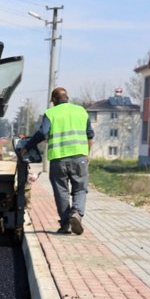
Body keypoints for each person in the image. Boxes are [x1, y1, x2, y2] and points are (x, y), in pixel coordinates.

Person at [22, 87, 94, 235]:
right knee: (80, 188)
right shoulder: (81, 111)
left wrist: (27, 146)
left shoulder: (51, 113)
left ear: (54, 100)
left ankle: (66, 224)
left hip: (58, 159)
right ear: (67, 97)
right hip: (79, 157)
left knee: (61, 191)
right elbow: (90, 135)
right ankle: (77, 213)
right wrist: (87, 153)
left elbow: (42, 132)